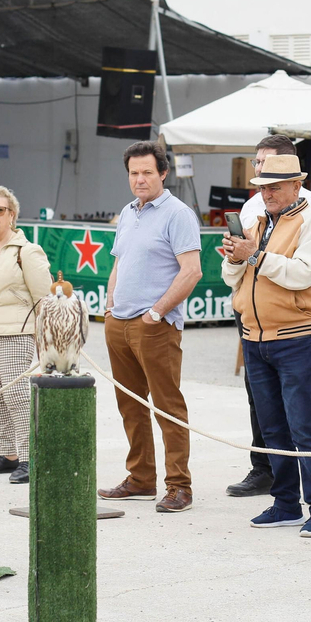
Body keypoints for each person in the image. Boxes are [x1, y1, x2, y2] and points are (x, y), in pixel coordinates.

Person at [221, 154, 311, 537]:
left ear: (296, 186)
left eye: (274, 186)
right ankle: (286, 503)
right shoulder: (256, 223)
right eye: (262, 187)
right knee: (273, 428)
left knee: (304, 426)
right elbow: (229, 277)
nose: (266, 193)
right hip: (256, 337)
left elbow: (303, 274)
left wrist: (252, 255)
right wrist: (237, 256)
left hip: (296, 337)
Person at [99, 141, 203, 513]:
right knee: (130, 406)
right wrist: (110, 307)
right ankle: (141, 478)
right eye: (133, 173)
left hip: (154, 326)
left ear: (163, 173)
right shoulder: (129, 212)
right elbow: (119, 263)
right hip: (120, 322)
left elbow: (192, 271)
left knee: (167, 405)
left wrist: (157, 313)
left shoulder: (178, 214)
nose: (139, 179)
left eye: (147, 172)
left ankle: (179, 485)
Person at [0, 185, 53, 484]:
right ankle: (9, 454)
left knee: (17, 396)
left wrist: (45, 344)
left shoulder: (27, 251)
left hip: (15, 333)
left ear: (12, 215)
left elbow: (44, 299)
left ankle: (31, 457)